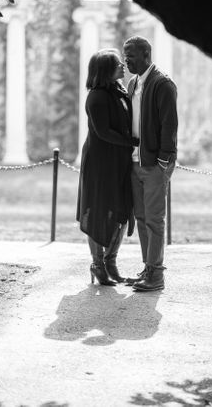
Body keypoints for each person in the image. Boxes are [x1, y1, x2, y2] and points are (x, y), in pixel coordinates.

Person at [76, 49, 138, 286]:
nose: (122, 65)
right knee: (98, 211)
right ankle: (97, 264)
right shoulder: (97, 96)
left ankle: (111, 261)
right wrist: (133, 142)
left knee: (121, 210)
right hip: (100, 162)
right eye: (117, 64)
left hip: (119, 160)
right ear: (104, 70)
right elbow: (103, 132)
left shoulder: (119, 91)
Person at [123, 36, 178, 292]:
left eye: (131, 55)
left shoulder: (162, 84)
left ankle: (156, 275)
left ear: (146, 55)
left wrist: (163, 160)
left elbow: (169, 125)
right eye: (125, 54)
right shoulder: (133, 83)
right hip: (135, 162)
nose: (126, 60)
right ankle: (148, 268)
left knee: (155, 220)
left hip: (154, 164)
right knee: (142, 217)